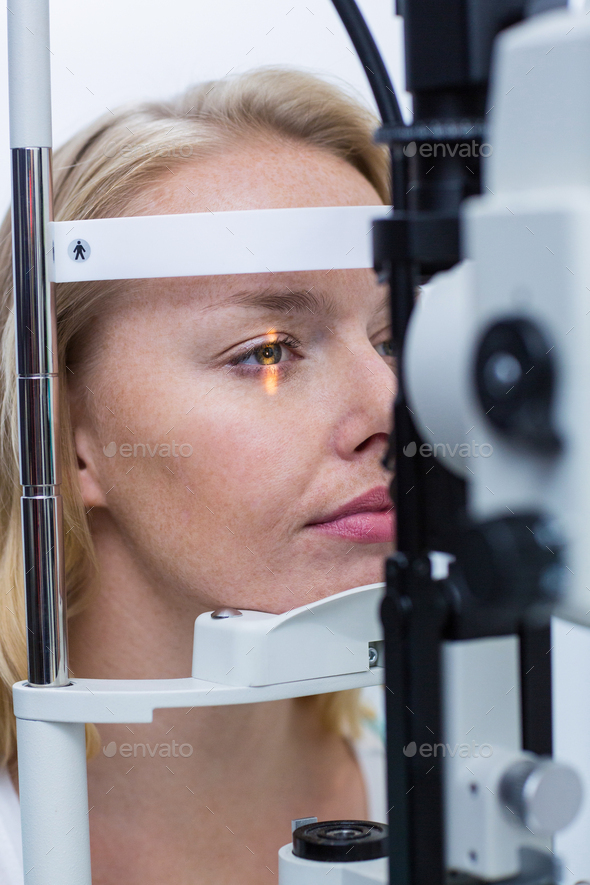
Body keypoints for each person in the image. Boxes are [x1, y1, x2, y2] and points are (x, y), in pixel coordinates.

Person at [0, 67, 394, 885]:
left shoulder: (495, 783)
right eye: (269, 351)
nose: (391, 405)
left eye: (392, 340)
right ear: (64, 438)